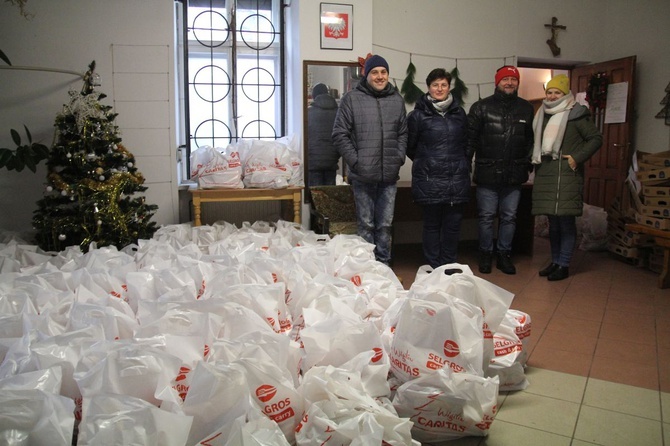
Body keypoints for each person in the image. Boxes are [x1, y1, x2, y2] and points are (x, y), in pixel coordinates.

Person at [332, 55, 408, 266]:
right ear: (367, 74)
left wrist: (399, 157)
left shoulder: (397, 100)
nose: (380, 76)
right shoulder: (351, 99)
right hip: (363, 176)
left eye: (383, 72)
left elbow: (403, 133)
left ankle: (384, 265)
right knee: (365, 224)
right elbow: (339, 134)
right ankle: (366, 267)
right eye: (375, 72)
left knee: (385, 224)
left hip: (389, 176)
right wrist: (356, 162)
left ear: (388, 75)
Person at [531, 74, 603, 281]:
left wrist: (577, 158)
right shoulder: (541, 115)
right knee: (553, 222)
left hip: (567, 174)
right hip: (546, 173)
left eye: (557, 92)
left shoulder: (576, 115)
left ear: (566, 94)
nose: (553, 96)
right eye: (550, 92)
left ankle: (564, 264)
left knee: (565, 222)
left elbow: (596, 139)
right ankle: (554, 262)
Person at [467, 65, 534, 275]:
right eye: (505, 79)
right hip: (487, 174)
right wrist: (464, 167)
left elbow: (530, 141)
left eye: (513, 80)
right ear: (497, 82)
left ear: (517, 83)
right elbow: (470, 140)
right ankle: (485, 254)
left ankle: (504, 255)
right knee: (486, 217)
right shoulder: (481, 107)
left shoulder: (526, 108)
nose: (509, 83)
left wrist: (528, 163)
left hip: (514, 176)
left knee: (509, 218)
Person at [407, 68, 469, 269]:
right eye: (435, 85)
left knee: (452, 226)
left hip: (456, 179)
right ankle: (434, 266)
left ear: (449, 87)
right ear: (428, 88)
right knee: (432, 226)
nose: (439, 88)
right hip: (430, 180)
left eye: (443, 84)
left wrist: (461, 162)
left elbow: (467, 143)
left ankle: (448, 265)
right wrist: (428, 162)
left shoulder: (460, 114)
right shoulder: (417, 115)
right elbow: (410, 146)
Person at [307, 83, 339, 186]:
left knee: (315, 196)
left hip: (313, 162)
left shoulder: (308, 113)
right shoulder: (338, 112)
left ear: (314, 96)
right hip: (332, 161)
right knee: (330, 197)